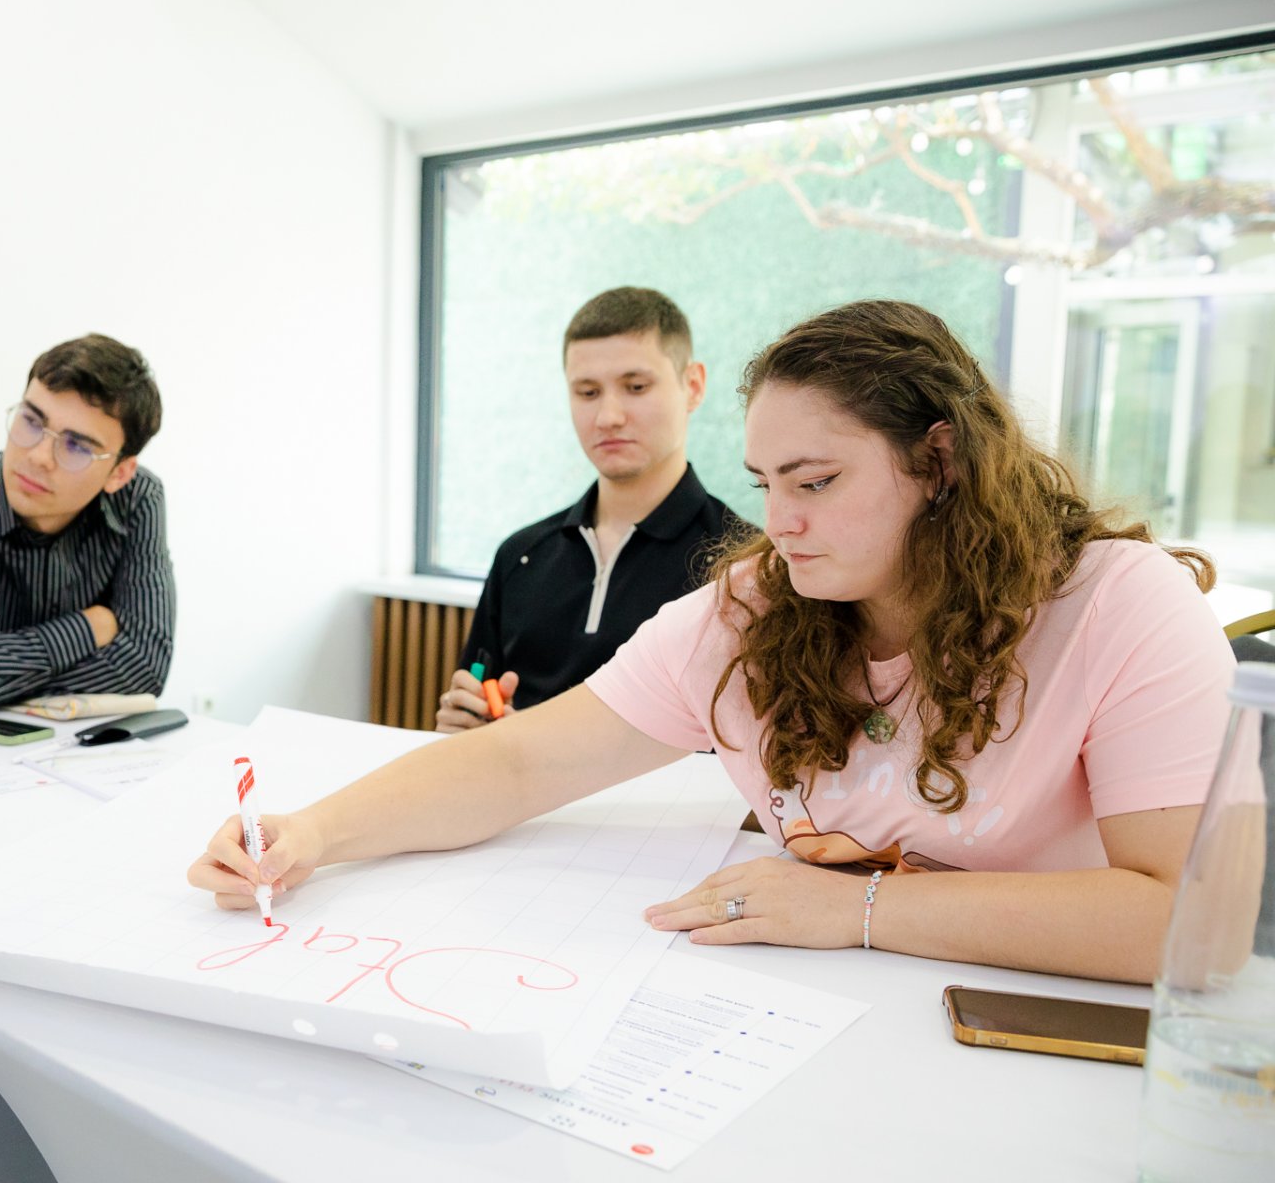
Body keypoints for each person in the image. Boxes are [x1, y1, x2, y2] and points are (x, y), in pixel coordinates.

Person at [193, 300, 1235, 985]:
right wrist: (314, 834)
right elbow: (517, 761)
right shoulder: (752, 611)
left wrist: (857, 910)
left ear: (940, 461)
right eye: (765, 485)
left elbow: (1200, 924)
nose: (779, 524)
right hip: (809, 1013)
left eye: (817, 483)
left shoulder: (1123, 607)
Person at [438, 287, 750, 733]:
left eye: (636, 387)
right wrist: (465, 723)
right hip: (518, 798)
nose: (608, 416)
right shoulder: (520, 556)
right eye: (587, 392)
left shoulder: (742, 566)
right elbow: (476, 696)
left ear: (693, 386)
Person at [0, 333, 174, 716]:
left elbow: (145, 669)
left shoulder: (137, 500)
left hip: (71, 752)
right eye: (32, 421)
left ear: (119, 474)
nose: (39, 455)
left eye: (76, 446)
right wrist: (88, 629)